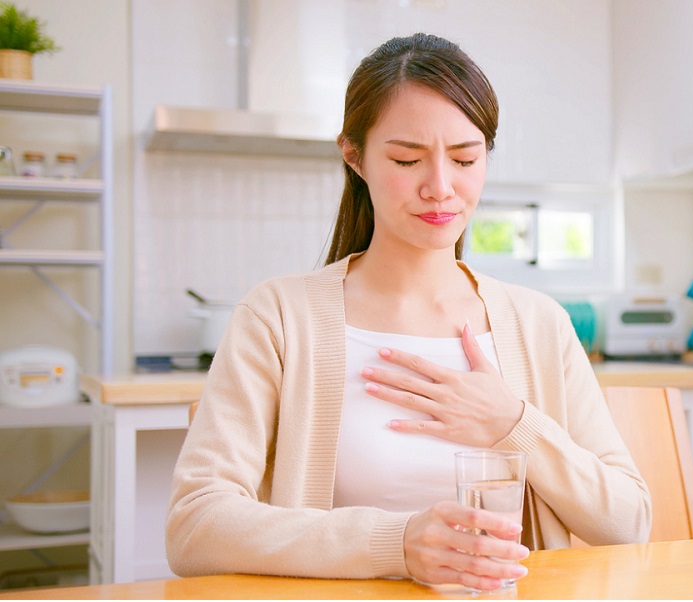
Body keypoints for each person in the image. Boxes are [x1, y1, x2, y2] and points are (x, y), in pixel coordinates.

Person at [165, 33, 651, 591]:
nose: (440, 188)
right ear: (355, 156)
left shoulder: (539, 323)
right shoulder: (278, 317)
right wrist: (396, 543)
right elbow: (194, 525)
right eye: (406, 159)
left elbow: (629, 523)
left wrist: (514, 424)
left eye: (465, 158)